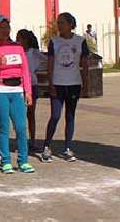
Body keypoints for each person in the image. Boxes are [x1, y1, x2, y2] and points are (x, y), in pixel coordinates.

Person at [0, 16, 35, 174]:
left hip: (17, 90)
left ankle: (23, 161)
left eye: (6, 27)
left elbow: (25, 70)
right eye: (1, 28)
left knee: (20, 126)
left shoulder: (18, 47)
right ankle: (5, 161)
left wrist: (28, 91)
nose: (4, 31)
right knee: (3, 127)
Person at [42, 12, 89, 163]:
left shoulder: (80, 41)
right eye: (58, 23)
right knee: (55, 115)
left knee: (70, 116)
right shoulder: (54, 42)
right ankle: (47, 146)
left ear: (70, 24)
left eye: (62, 23)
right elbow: (50, 64)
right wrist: (50, 84)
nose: (59, 25)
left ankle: (68, 147)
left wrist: (85, 84)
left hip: (74, 83)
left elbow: (85, 64)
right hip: (58, 83)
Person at [16, 29, 44, 150]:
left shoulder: (34, 52)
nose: (17, 41)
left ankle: (32, 140)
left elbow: (46, 60)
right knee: (19, 115)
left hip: (32, 85)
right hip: (18, 85)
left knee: (30, 114)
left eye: (20, 38)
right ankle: (20, 140)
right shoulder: (16, 52)